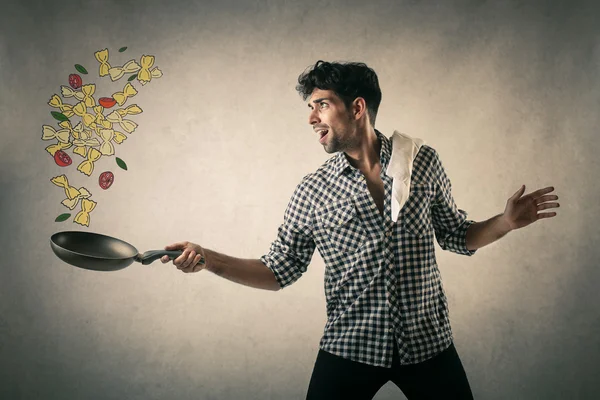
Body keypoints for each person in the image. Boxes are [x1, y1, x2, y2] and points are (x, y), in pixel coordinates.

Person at [161, 60, 560, 399]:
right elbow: (279, 270)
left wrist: (505, 222)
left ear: (356, 107)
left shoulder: (422, 162)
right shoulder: (313, 190)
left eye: (321, 104)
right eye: (310, 107)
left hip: (428, 343)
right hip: (350, 346)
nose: (311, 118)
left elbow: (456, 234)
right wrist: (209, 260)